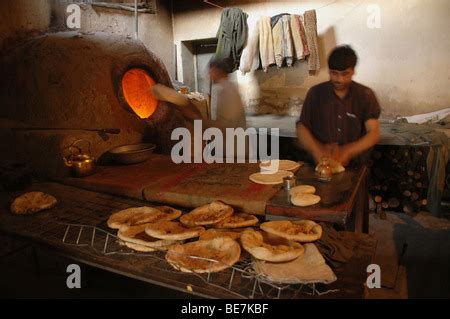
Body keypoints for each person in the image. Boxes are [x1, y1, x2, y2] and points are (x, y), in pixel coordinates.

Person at [296, 45, 381, 167]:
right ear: (329, 71)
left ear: (353, 71)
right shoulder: (316, 93)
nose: (339, 79)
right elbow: (301, 128)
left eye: (345, 74)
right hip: (320, 165)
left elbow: (373, 133)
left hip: (354, 166)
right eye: (334, 73)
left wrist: (348, 151)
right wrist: (317, 151)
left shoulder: (365, 95)